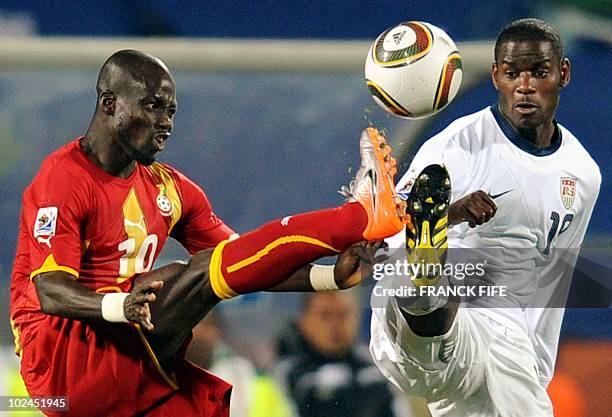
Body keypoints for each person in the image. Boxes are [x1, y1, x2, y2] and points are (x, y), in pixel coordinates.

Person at [9, 49, 410, 417]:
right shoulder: (64, 178)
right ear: (110, 103)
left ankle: (364, 216)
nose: (165, 123)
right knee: (185, 276)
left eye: (171, 111)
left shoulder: (171, 188)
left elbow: (245, 260)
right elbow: (51, 291)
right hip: (61, 363)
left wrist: (328, 277)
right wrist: (121, 306)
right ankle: (358, 217)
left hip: (129, 360)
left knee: (212, 268)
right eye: (152, 107)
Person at [369, 18, 601, 417]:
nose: (524, 86)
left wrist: (537, 366)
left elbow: (553, 282)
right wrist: (450, 213)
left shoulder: (583, 174)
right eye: (512, 73)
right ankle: (428, 277)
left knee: (480, 356)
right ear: (496, 77)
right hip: (440, 318)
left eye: (539, 72)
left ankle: (429, 284)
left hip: (497, 355)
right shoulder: (456, 147)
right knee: (431, 280)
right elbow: (388, 235)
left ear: (562, 74)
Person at [274, 291, 410, 417]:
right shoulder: (284, 373)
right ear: (303, 321)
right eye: (325, 315)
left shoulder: (375, 369)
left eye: (343, 314)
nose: (335, 325)